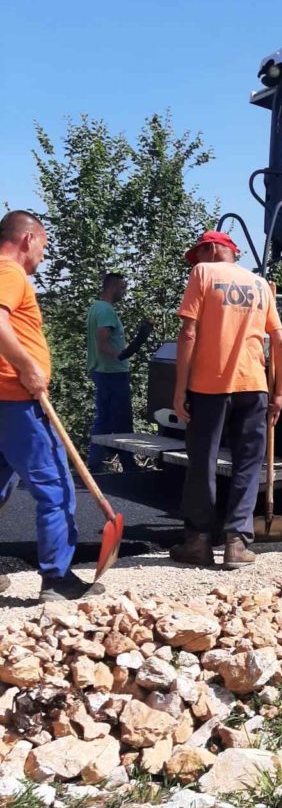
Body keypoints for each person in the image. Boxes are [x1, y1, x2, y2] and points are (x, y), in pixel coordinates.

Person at [171, 230, 282, 569]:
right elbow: (280, 344)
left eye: (198, 254)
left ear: (212, 249)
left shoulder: (203, 273)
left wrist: (180, 389)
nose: (196, 262)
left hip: (209, 387)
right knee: (248, 465)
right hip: (254, 387)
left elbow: (188, 332)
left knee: (203, 464)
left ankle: (198, 542)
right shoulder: (260, 285)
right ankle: (237, 544)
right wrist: (279, 393)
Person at [0, 210, 103, 602]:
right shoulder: (10, 273)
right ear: (28, 239)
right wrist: (28, 366)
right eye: (43, 245)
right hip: (17, 401)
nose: (43, 255)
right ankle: (57, 578)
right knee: (56, 486)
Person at [86, 273, 153, 472]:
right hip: (112, 372)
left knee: (105, 419)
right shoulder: (106, 311)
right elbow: (103, 343)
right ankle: (127, 465)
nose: (124, 293)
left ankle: (96, 464)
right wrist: (122, 355)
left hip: (103, 371)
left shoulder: (96, 307)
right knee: (121, 419)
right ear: (113, 287)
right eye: (123, 288)